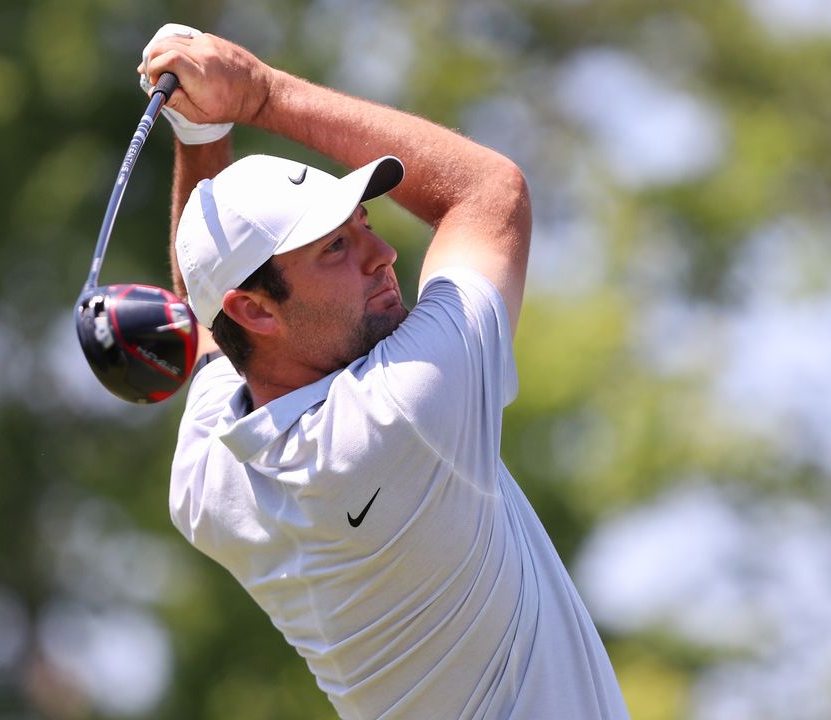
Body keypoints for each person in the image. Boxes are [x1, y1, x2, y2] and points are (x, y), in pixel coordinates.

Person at [140, 23, 630, 720]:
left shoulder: (209, 482)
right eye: (337, 246)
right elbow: (490, 193)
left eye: (363, 223)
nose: (383, 255)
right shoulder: (398, 416)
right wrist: (259, 93)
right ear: (257, 309)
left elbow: (210, 323)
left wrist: (199, 132)